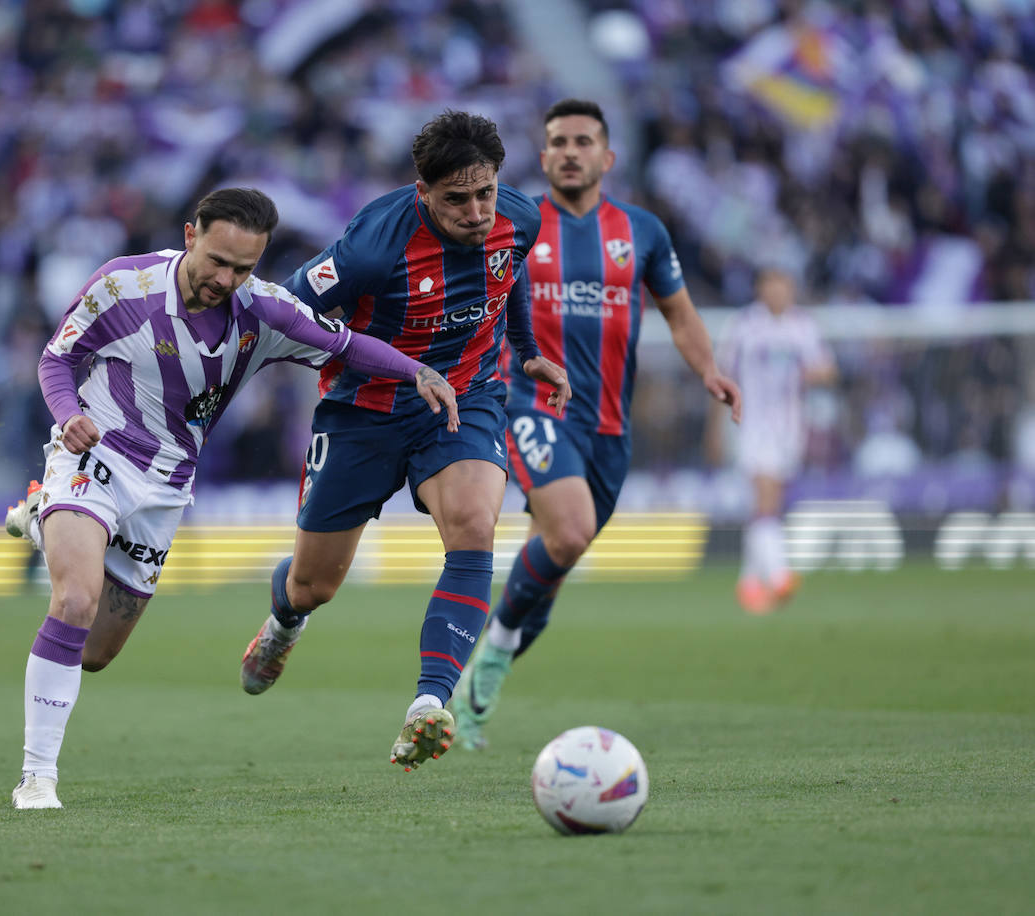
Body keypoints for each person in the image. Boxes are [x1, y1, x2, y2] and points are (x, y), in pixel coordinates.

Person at [6, 188, 462, 809]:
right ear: (190, 234)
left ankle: (41, 517)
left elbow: (347, 346)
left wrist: (417, 371)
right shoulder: (123, 287)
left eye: (243, 267)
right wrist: (66, 417)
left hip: (165, 489)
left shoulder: (265, 311)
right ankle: (37, 778)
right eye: (217, 260)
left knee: (95, 653)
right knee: (75, 599)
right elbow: (57, 360)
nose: (226, 278)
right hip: (96, 455)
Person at [235, 110, 572, 771]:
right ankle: (283, 624)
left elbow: (511, 270)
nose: (476, 212)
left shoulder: (520, 218)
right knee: (314, 585)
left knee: (476, 523)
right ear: (422, 192)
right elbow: (285, 312)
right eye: (456, 199)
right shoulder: (371, 249)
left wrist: (528, 350)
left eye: (485, 193)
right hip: (361, 413)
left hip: (465, 396)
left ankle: (429, 704)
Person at [449, 99, 742, 751]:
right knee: (572, 529)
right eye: (558, 141)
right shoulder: (512, 222)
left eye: (584, 141)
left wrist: (709, 371)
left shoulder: (642, 232)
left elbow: (681, 314)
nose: (571, 151)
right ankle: (489, 656)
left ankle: (486, 669)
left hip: (610, 428)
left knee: (555, 564)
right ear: (544, 155)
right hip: (531, 403)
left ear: (607, 158)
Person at [712, 266, 836, 614]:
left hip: (790, 427)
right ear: (761, 289)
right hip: (750, 424)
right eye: (772, 285)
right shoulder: (743, 326)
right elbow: (721, 376)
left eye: (784, 285)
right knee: (765, 497)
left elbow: (827, 368)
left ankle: (749, 584)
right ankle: (780, 574)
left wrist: (816, 373)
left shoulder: (803, 327)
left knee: (769, 504)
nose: (778, 292)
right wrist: (716, 428)